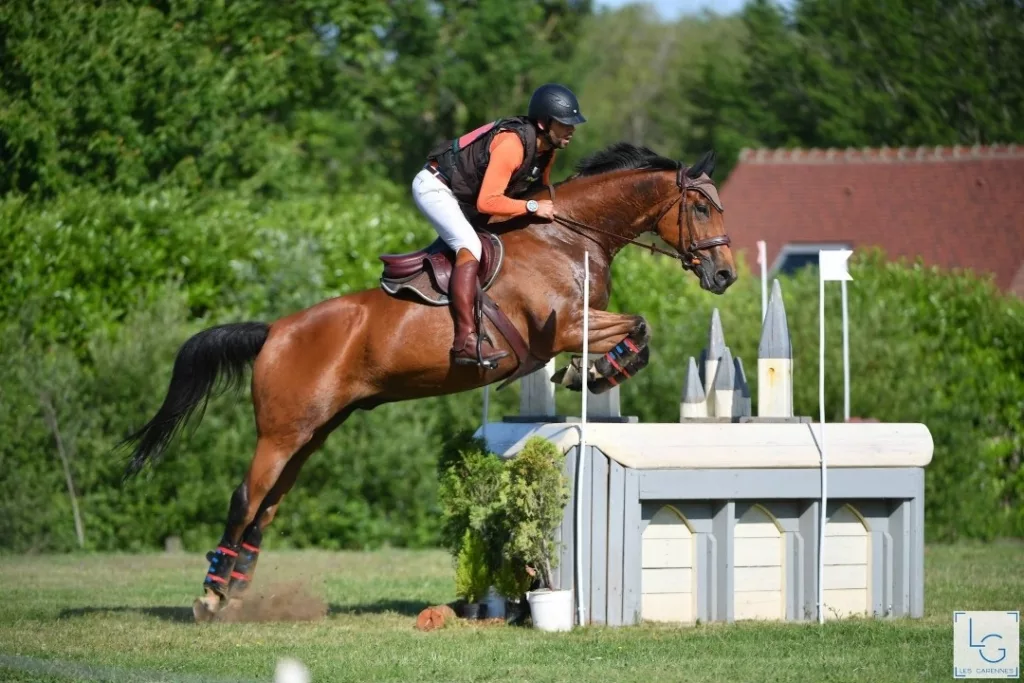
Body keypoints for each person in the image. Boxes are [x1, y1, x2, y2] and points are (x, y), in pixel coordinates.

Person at [412, 83, 587, 367]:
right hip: (435, 187)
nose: (572, 129)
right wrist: (531, 207)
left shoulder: (546, 151)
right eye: (565, 123)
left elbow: (537, 193)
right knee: (469, 246)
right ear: (544, 123)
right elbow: (488, 202)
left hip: (464, 197)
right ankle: (465, 342)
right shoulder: (512, 144)